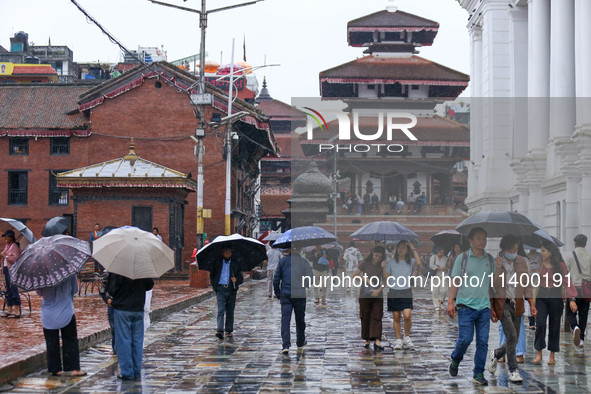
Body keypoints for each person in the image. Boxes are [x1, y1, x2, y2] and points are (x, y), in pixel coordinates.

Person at [447, 227, 494, 386]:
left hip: (484, 307)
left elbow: (491, 285)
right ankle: (455, 359)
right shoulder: (463, 258)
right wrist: (450, 302)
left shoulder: (490, 260)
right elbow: (455, 280)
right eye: (479, 238)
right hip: (465, 306)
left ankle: (478, 373)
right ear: (471, 241)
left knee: (483, 341)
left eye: (484, 238)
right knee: (465, 339)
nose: (482, 241)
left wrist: (493, 307)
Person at [487, 235, 537, 383]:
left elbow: (527, 284)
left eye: (516, 249)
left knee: (512, 339)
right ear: (504, 249)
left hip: (518, 304)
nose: (514, 252)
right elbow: (493, 285)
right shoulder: (496, 262)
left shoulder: (522, 261)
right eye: (511, 249)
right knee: (512, 337)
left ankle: (496, 353)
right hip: (503, 304)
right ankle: (513, 370)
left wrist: (532, 304)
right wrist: (498, 267)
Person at [533, 241, 577, 365]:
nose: (541, 252)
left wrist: (572, 299)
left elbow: (567, 282)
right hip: (541, 296)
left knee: (555, 326)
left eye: (543, 250)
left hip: (555, 297)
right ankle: (539, 353)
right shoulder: (540, 263)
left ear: (550, 252)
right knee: (540, 324)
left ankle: (552, 355)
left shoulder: (560, 265)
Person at [106, 273, 154, 380]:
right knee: (137, 340)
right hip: (137, 307)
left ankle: (127, 372)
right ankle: (136, 370)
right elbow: (149, 285)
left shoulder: (119, 269)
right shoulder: (142, 268)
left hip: (122, 308)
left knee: (123, 340)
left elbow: (112, 288)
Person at [37, 275, 86, 377]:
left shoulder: (42, 272)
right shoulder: (69, 270)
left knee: (51, 342)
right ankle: (75, 368)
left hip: (48, 313)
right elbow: (75, 289)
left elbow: (39, 292)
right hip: (66, 310)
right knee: (71, 340)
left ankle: (55, 369)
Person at [274, 246, 314, 354]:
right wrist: (304, 285)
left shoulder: (282, 261)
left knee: (285, 319)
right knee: (300, 319)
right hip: (299, 294)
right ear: (300, 250)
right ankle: (300, 341)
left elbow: (276, 278)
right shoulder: (304, 262)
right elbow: (310, 280)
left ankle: (285, 345)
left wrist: (278, 293)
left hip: (286, 294)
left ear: (289, 249)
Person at [383, 240, 420, 350]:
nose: (401, 249)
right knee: (396, 317)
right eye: (399, 247)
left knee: (407, 316)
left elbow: (418, 263)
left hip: (406, 291)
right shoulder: (391, 262)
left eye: (404, 247)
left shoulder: (410, 261)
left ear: (407, 250)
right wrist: (384, 267)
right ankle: (398, 339)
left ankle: (407, 337)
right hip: (394, 291)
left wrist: (413, 247)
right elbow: (387, 277)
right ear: (396, 249)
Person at [352, 246, 387, 351]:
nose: (377, 258)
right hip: (365, 293)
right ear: (372, 253)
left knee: (377, 316)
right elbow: (355, 275)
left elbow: (386, 279)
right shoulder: (364, 263)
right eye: (376, 255)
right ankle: (367, 338)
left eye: (380, 257)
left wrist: (384, 267)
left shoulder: (382, 265)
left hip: (378, 294)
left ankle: (377, 339)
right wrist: (365, 279)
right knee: (365, 316)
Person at [210, 244, 243, 339]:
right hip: (220, 288)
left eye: (229, 252)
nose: (227, 254)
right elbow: (212, 275)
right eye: (225, 252)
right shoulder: (217, 263)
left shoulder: (235, 263)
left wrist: (236, 280)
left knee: (230, 311)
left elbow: (240, 278)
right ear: (222, 253)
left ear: (231, 253)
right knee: (221, 310)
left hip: (231, 289)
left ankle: (229, 330)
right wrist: (214, 284)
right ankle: (219, 330)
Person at [564, 234, 591, 347]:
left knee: (571, 312)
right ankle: (581, 339)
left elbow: (565, 272)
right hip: (586, 289)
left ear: (575, 243)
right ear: (585, 243)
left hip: (573, 288)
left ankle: (575, 327)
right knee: (583, 315)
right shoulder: (589, 256)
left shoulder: (570, 255)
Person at [1, 230, 22, 318]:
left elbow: (15, 259)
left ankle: (16, 311)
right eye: (5, 237)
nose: (5, 239)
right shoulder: (7, 246)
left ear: (11, 238)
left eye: (7, 237)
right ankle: (9, 309)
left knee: (13, 289)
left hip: (12, 271)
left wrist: (5, 255)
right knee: (8, 290)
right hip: (6, 269)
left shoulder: (14, 246)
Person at [526, 247, 542, 329]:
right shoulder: (540, 256)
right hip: (538, 281)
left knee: (530, 300)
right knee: (537, 299)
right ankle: (537, 319)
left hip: (529, 280)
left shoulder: (526, 257)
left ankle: (531, 322)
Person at [430, 246, 449, 312]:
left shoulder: (445, 258)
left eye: (443, 252)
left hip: (443, 275)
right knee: (435, 291)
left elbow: (447, 266)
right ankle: (436, 305)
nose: (442, 254)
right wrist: (440, 268)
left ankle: (442, 302)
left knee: (444, 290)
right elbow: (431, 265)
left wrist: (446, 269)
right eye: (440, 252)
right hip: (435, 275)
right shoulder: (433, 257)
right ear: (438, 251)